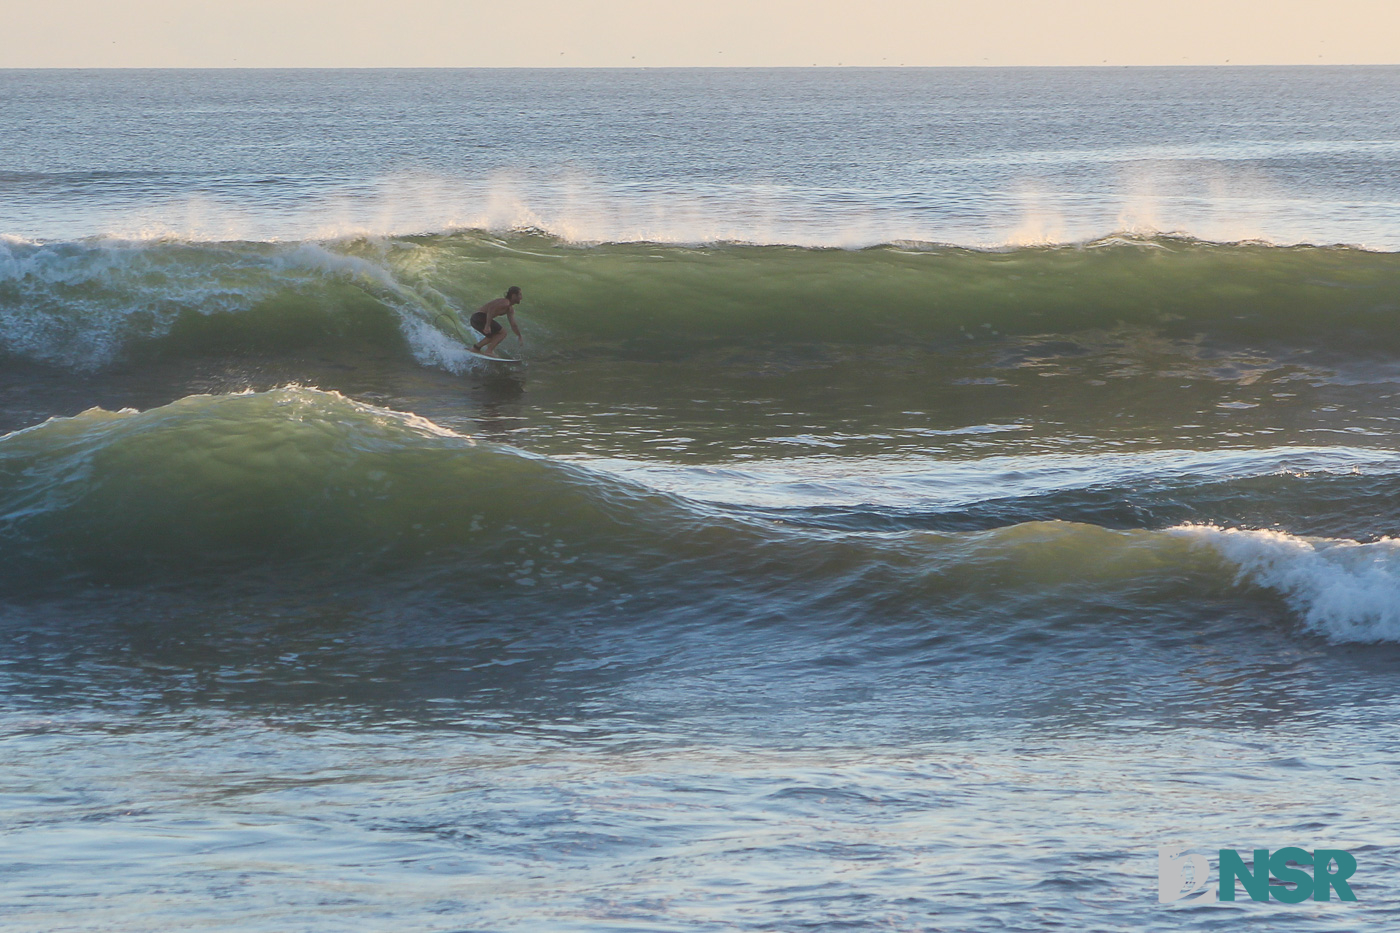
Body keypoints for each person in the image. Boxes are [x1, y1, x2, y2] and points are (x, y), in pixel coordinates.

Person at [469, 286, 524, 357]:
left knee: (494, 335)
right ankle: (489, 351)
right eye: (520, 294)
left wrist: (519, 335)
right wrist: (487, 325)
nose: (521, 297)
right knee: (503, 333)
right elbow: (491, 310)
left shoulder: (509, 309)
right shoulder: (505, 302)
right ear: (513, 295)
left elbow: (513, 324)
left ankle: (475, 348)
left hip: (476, 319)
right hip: (479, 317)